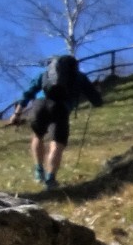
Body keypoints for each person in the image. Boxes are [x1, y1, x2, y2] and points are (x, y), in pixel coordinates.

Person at [9, 54, 104, 190]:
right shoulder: (79, 77)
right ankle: (50, 179)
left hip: (39, 105)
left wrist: (17, 114)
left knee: (37, 135)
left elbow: (27, 94)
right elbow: (97, 101)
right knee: (57, 144)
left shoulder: (44, 74)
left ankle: (38, 171)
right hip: (61, 108)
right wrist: (98, 91)